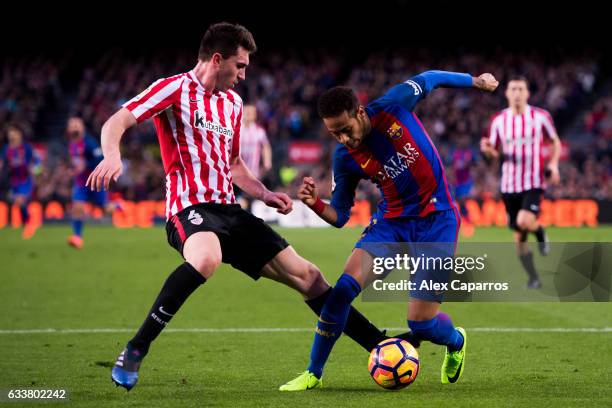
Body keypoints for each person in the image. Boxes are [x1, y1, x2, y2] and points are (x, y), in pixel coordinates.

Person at [86, 22, 412, 391]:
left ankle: (380, 346)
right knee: (206, 258)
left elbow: (235, 164)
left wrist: (264, 193)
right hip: (188, 208)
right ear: (217, 59)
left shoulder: (233, 104)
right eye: (240, 66)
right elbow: (118, 120)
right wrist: (112, 156)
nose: (243, 75)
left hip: (230, 211)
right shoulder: (173, 89)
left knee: (310, 277)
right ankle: (135, 349)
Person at [280, 70, 498, 391]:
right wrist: (314, 203)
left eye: (345, 130)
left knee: (421, 325)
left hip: (437, 221)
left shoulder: (393, 105)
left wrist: (475, 82)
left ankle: (455, 341)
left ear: (359, 112)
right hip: (392, 225)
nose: (342, 138)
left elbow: (429, 78)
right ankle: (314, 372)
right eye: (333, 134)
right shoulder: (344, 156)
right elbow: (340, 215)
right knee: (340, 292)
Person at [481, 76, 561, 288]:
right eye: (513, 89)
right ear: (507, 93)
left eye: (521, 89)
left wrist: (553, 164)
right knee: (519, 235)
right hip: (509, 186)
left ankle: (540, 231)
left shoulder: (541, 117)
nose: (517, 93)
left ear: (527, 93)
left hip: (533, 181)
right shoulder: (499, 120)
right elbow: (494, 153)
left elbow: (555, 141)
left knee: (524, 222)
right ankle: (533, 277)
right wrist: (487, 151)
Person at [66, 116, 116, 249]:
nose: (74, 127)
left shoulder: (90, 142)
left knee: (106, 209)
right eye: (72, 125)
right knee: (77, 207)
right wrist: (72, 170)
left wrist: (86, 165)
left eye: (77, 124)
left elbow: (100, 158)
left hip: (96, 181)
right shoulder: (71, 143)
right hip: (81, 182)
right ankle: (77, 237)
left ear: (82, 127)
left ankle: (118, 206)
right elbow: (76, 163)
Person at [0, 124, 37, 239]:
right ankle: (27, 224)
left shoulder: (26, 148)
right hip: (13, 180)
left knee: (20, 201)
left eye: (14, 133)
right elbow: (2, 162)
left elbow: (36, 161)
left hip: (25, 180)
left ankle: (29, 224)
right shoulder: (6, 148)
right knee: (19, 203)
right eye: (10, 134)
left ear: (19, 135)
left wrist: (36, 170)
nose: (12, 135)